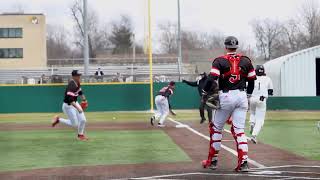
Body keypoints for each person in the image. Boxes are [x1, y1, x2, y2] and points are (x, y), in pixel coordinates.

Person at [201, 36, 256, 172]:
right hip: (242, 95)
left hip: (226, 95)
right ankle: (244, 163)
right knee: (239, 131)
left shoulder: (219, 61)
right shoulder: (246, 60)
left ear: (226, 47)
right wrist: (248, 96)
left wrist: (204, 91)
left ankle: (213, 161)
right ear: (237, 47)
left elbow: (212, 78)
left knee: (216, 128)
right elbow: (252, 81)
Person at [51, 70, 89, 141]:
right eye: (77, 75)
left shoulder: (77, 82)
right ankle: (58, 119)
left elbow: (80, 91)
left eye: (79, 75)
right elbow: (70, 100)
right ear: (73, 76)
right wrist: (78, 108)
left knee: (83, 120)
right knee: (75, 124)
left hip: (75, 102)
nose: (79, 76)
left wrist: (84, 100)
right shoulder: (71, 85)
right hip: (68, 106)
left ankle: (80, 135)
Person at [249, 65, 273, 144]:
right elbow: (270, 92)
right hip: (261, 99)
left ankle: (252, 123)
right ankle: (254, 135)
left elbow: (247, 89)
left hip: (252, 98)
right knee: (260, 120)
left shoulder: (251, 78)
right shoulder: (268, 78)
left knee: (252, 113)